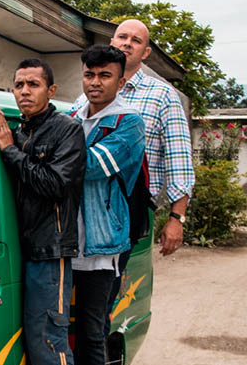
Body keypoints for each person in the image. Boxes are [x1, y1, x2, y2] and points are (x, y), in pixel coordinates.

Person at [0, 59, 86, 365]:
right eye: (19, 84)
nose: (25, 91)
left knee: (44, 337)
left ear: (51, 90)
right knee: (16, 338)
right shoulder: (15, 129)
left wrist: (10, 152)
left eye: (33, 84)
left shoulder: (66, 131)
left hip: (49, 251)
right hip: (13, 251)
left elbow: (53, 184)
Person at [70, 45, 145, 365]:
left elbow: (91, 165)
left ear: (120, 80)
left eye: (104, 76)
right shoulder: (71, 117)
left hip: (101, 248)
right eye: (89, 75)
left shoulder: (128, 123)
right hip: (62, 243)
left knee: (91, 333)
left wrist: (44, 150)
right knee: (57, 327)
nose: (95, 83)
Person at [72, 19, 195, 257]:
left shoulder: (162, 95)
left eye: (136, 41)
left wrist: (176, 218)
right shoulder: (83, 99)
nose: (127, 43)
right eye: (122, 37)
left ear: (146, 52)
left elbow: (179, 159)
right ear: (112, 42)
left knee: (119, 276)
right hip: (87, 204)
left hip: (132, 205)